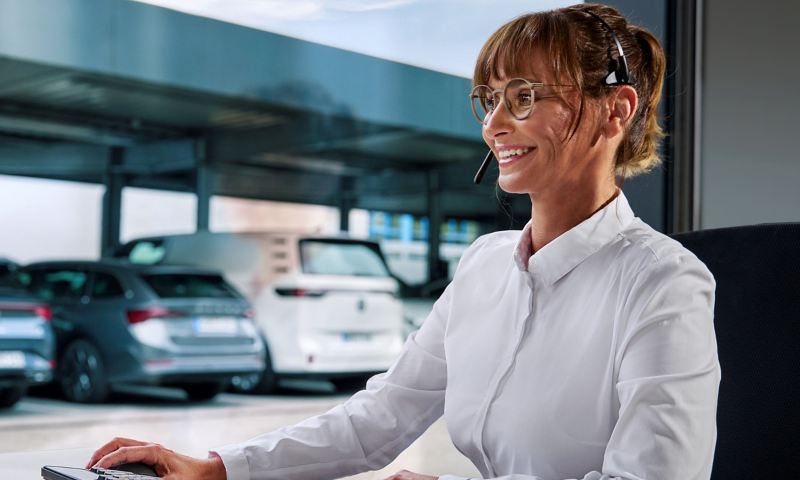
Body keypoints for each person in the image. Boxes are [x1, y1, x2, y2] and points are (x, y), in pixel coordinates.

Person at [87, 3, 720, 479]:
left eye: (524, 98)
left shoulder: (663, 282)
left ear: (614, 112)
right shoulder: (485, 266)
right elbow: (378, 420)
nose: (495, 124)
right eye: (489, 100)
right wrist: (217, 468)